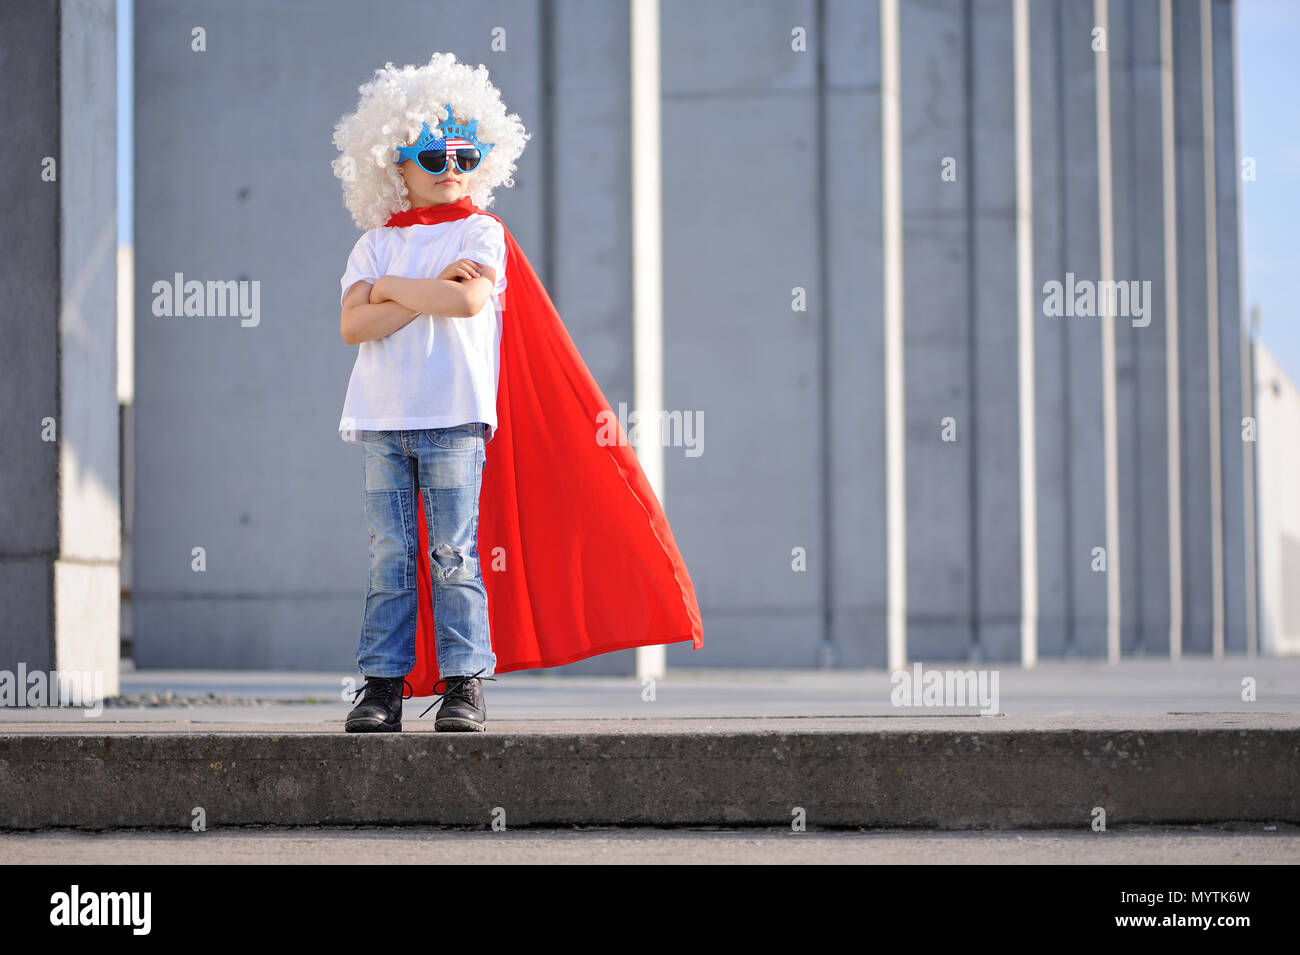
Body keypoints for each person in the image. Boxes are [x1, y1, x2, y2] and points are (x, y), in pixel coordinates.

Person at [331, 53, 703, 736]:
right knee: (390, 555)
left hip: (454, 419)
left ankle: (464, 682)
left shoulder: (481, 232)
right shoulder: (374, 243)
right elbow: (355, 323)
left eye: (465, 154)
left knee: (453, 554)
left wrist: (393, 291)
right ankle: (380, 686)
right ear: (395, 162)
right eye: (433, 155)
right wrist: (416, 290)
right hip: (382, 419)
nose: (451, 168)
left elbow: (469, 300)